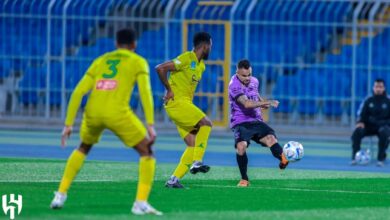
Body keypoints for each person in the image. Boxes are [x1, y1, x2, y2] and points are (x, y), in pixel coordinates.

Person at [50, 28, 162, 215]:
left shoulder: (101, 60)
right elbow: (145, 93)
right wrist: (150, 124)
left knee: (83, 147)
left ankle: (60, 195)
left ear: (116, 44)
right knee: (147, 152)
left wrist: (68, 124)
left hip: (92, 112)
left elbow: (78, 92)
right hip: (117, 113)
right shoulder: (138, 61)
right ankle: (140, 203)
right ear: (134, 45)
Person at [155, 32, 213, 188]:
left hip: (183, 105)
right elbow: (160, 68)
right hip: (176, 103)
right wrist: (168, 90)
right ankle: (197, 162)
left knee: (192, 144)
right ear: (205, 46)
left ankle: (173, 180)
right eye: (210, 47)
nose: (210, 50)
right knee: (206, 123)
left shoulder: (201, 66)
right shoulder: (187, 57)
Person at [228, 59, 289, 187]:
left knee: (271, 139)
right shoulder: (234, 85)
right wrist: (267, 102)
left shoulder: (255, 81)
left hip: (256, 120)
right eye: (244, 76)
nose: (247, 78)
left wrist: (262, 102)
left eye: (249, 74)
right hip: (241, 122)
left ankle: (283, 159)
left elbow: (255, 96)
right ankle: (244, 179)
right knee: (241, 146)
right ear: (237, 73)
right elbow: (247, 103)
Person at [351, 79, 390, 167]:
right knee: (358, 131)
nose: (378, 89)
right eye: (376, 87)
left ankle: (381, 159)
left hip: (384, 126)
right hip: (369, 126)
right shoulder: (368, 100)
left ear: (384, 88)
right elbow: (361, 114)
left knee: (385, 132)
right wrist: (360, 122)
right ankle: (355, 157)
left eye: (380, 87)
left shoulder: (388, 101)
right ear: (373, 88)